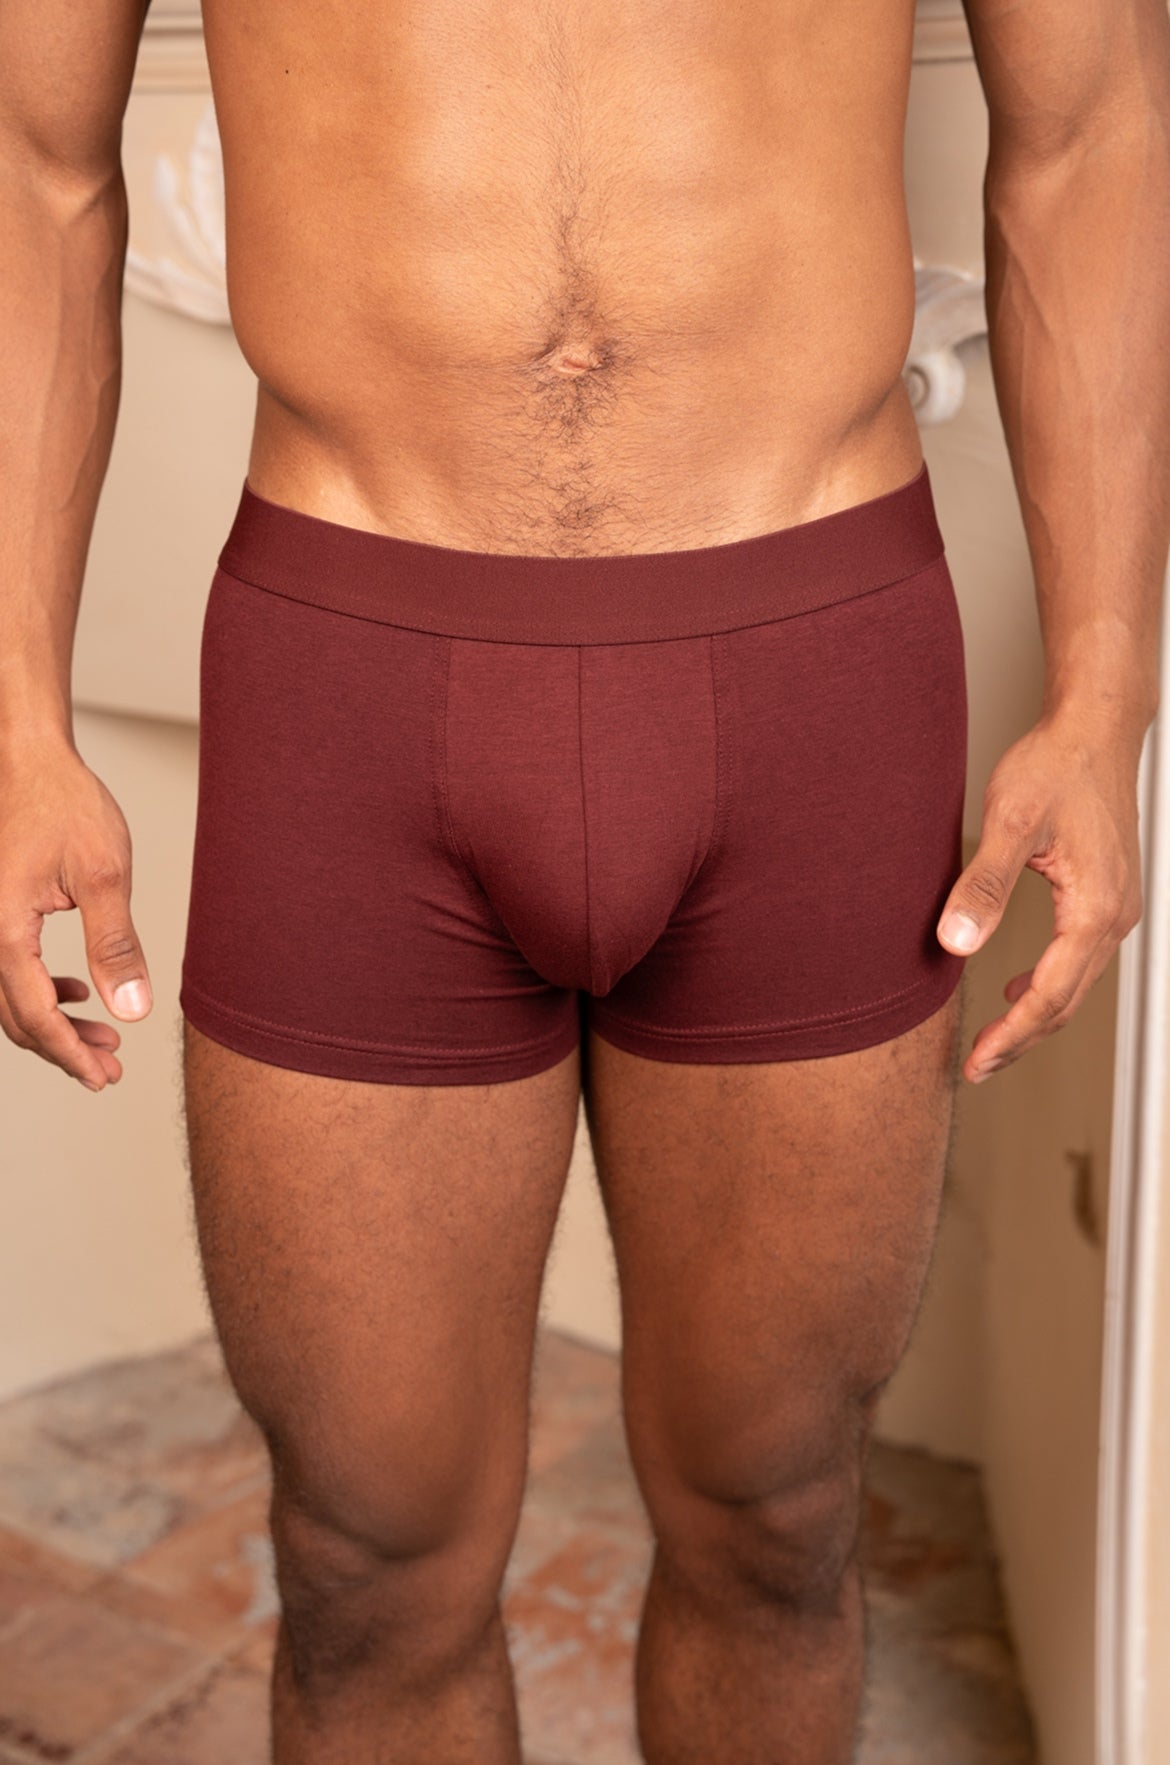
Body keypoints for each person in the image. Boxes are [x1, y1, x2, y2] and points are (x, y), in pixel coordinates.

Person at [1, 0, 1167, 1757]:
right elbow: (32, 168)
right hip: (353, 673)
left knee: (778, 1510)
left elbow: (1090, 134)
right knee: (365, 1557)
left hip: (812, 661)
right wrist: (13, 714)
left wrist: (1102, 694)